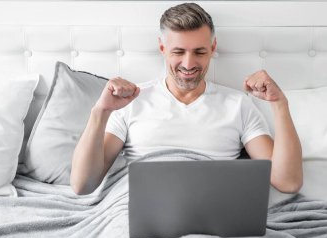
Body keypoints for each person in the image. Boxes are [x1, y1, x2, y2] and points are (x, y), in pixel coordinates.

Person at [70, 2, 303, 195]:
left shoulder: (238, 104)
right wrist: (100, 112)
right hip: (135, 207)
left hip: (207, 211)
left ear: (213, 48)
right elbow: (83, 184)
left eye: (200, 52)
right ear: (162, 48)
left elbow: (288, 182)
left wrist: (280, 104)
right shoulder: (131, 101)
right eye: (178, 52)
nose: (189, 64)